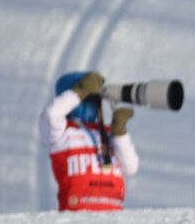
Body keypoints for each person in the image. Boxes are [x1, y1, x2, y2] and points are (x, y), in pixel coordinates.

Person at [41, 71, 139, 212]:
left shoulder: (107, 133)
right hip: (75, 214)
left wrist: (120, 134)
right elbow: (51, 115)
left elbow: (131, 168)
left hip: (114, 215)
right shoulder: (62, 132)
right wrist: (79, 91)